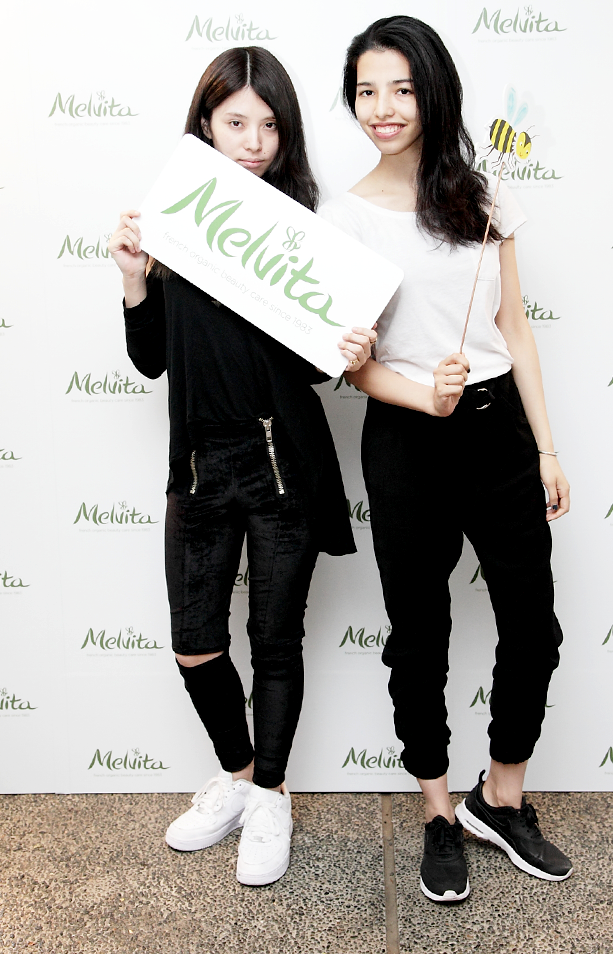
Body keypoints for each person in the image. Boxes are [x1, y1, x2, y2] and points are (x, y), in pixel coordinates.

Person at [108, 47, 376, 887]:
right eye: (235, 123)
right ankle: (237, 776)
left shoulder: (304, 233)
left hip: (280, 462)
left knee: (274, 642)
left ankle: (271, 797)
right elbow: (152, 360)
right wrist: (133, 279)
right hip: (198, 464)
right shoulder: (175, 222)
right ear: (205, 125)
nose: (254, 141)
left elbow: (310, 372)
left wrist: (346, 348)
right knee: (195, 645)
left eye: (269, 125)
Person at [319, 16, 572, 903]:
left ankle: (500, 798)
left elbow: (515, 327)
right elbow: (355, 367)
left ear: (432, 91)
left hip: (498, 430)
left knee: (533, 626)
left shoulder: (485, 194)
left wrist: (546, 448)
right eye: (365, 91)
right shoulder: (341, 217)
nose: (381, 108)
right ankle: (436, 811)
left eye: (400, 88)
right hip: (406, 439)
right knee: (419, 635)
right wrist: (421, 392)